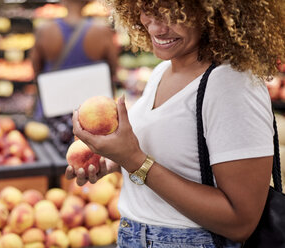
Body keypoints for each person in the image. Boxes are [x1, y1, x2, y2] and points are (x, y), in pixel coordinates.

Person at [65, 0, 285, 247]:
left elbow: (240, 223)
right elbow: (173, 158)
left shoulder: (232, 85)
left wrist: (134, 160)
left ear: (212, 13)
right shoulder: (162, 72)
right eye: (148, 9)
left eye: (174, 15)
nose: (157, 28)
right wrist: (111, 160)